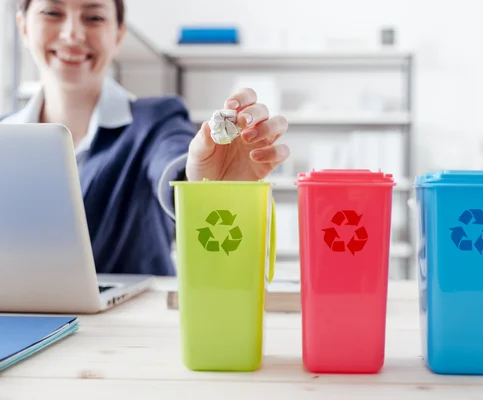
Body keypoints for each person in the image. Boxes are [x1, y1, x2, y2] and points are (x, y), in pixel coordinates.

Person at [0, 0, 290, 276]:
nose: (72, 34)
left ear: (118, 35)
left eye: (94, 17)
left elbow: (173, 163)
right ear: (23, 26)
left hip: (131, 324)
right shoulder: (6, 136)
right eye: (52, 12)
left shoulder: (157, 120)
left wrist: (204, 187)